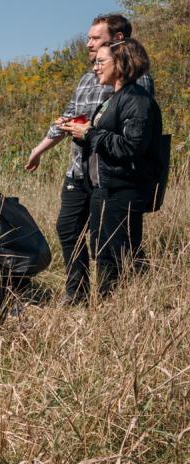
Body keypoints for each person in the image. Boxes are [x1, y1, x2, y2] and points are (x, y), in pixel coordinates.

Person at [24, 14, 154, 302]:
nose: (88, 44)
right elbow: (70, 117)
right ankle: (76, 292)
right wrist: (41, 147)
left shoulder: (135, 82)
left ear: (118, 40)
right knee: (68, 229)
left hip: (110, 174)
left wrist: (89, 131)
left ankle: (120, 295)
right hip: (79, 169)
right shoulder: (86, 78)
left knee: (109, 241)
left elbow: (132, 133)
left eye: (95, 38)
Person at [59, 39, 162, 297]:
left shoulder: (137, 100)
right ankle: (109, 308)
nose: (95, 67)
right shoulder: (117, 98)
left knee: (117, 257)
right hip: (104, 188)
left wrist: (90, 133)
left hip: (122, 190)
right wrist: (79, 130)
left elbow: (131, 147)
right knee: (104, 254)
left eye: (101, 62)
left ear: (122, 64)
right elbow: (104, 139)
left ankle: (118, 309)